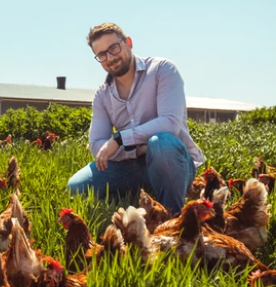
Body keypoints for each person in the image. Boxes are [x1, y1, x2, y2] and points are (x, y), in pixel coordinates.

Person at [66, 22, 204, 213]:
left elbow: (170, 123)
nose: (110, 58)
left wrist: (120, 138)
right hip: (130, 165)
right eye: (102, 55)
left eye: (114, 48)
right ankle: (138, 199)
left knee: (162, 143)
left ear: (128, 42)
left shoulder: (162, 70)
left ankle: (172, 216)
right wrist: (138, 151)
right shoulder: (103, 95)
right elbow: (98, 145)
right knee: (76, 187)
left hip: (171, 161)